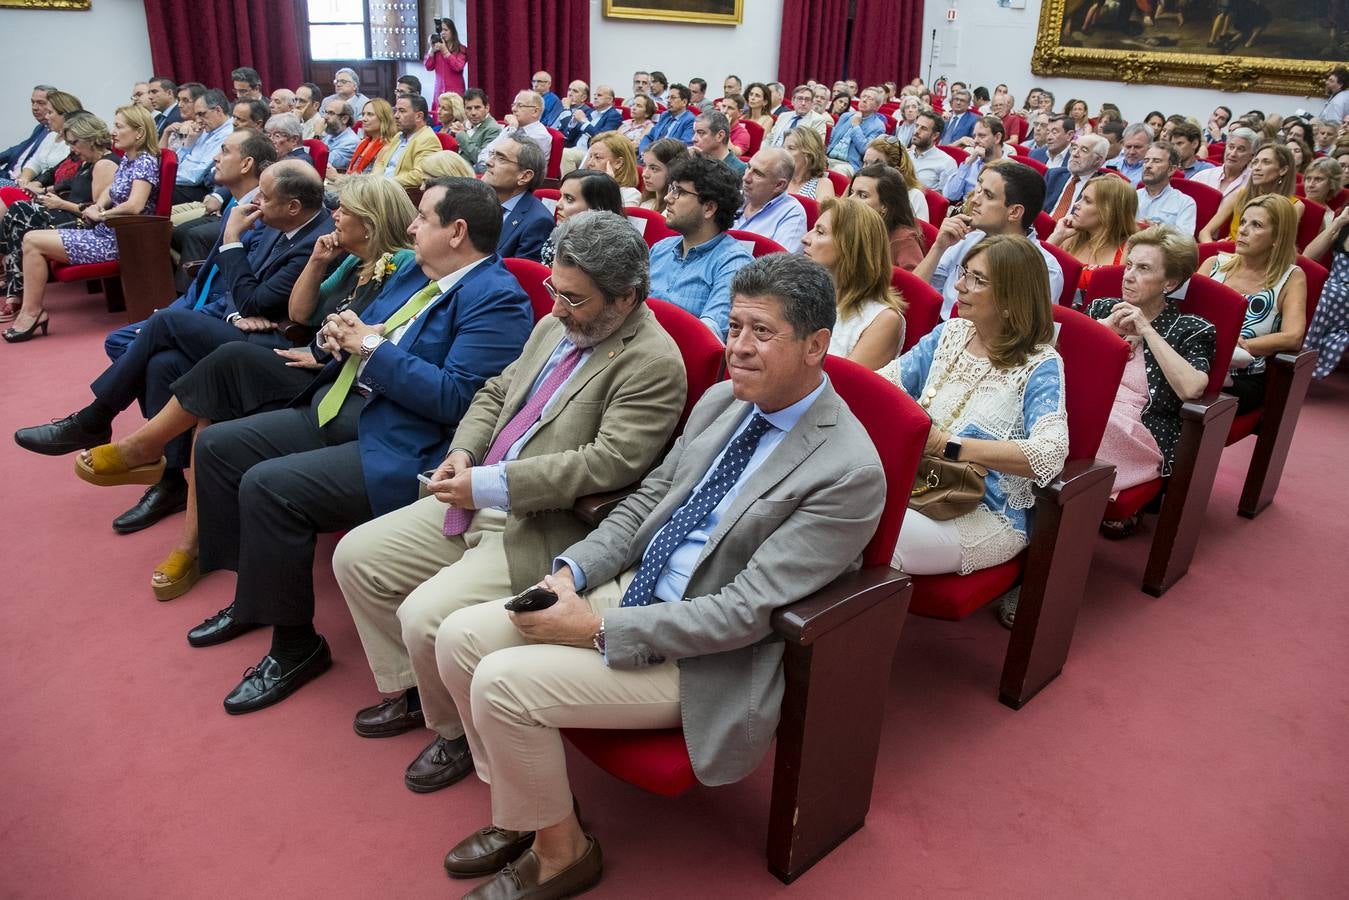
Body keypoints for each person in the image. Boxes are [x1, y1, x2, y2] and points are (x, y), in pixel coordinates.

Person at [432, 250, 885, 900]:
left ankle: (564, 855)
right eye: (733, 327)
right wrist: (571, 572)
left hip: (702, 654)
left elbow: (741, 613)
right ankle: (526, 811)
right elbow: (647, 502)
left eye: (762, 332)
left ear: (816, 345)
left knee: (502, 684)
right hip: (633, 588)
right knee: (457, 638)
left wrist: (593, 628)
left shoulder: (846, 471)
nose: (739, 348)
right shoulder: (725, 400)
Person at [335, 209, 686, 796]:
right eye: (554, 288)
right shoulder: (560, 325)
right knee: (356, 557)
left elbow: (607, 465)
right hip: (476, 489)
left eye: (573, 298)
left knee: (426, 617)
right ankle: (421, 694)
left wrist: (491, 484)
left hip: (538, 518)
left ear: (625, 298)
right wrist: (466, 451)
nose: (555, 307)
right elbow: (499, 389)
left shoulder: (652, 362)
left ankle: (450, 732)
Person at [182, 177, 535, 715]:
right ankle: (254, 597)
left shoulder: (497, 299)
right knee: (219, 448)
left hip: (406, 441)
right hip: (350, 404)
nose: (411, 226)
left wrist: (368, 346)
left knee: (269, 488)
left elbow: (459, 400)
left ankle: (297, 646)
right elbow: (369, 329)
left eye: (424, 218)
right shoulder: (418, 271)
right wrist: (338, 335)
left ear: (458, 232)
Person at [72, 175, 418, 600]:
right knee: (200, 391)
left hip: (331, 374)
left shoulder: (400, 265)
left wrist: (324, 352)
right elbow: (300, 310)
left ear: (370, 221)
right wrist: (315, 263)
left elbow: (383, 337)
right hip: (309, 357)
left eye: (344, 211)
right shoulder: (348, 260)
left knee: (221, 360)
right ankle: (189, 539)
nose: (335, 216)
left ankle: (143, 452)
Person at [13, 158, 334, 537]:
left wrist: (231, 240)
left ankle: (96, 419)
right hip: (244, 329)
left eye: (264, 195)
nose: (256, 201)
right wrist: (235, 313)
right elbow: (239, 293)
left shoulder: (314, 239)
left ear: (293, 206)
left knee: (166, 322)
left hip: (278, 348)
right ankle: (170, 480)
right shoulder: (276, 223)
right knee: (163, 362)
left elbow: (253, 298)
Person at [884, 233, 1067, 626]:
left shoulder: (1040, 364)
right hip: (914, 485)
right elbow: (886, 387)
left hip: (985, 512)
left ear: (1012, 296)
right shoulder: (950, 335)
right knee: (832, 510)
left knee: (879, 540)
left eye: (978, 279)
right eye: (964, 272)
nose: (959, 285)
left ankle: (842, 663)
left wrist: (951, 445)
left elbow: (1050, 454)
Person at [1086, 226, 1215, 535]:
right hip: (1088, 405)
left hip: (1140, 427)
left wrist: (1146, 330)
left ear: (1169, 283)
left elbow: (1193, 388)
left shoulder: (1191, 328)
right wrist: (1106, 330)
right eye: (1129, 264)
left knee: (1086, 421)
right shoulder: (1103, 308)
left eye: (1143, 268)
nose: (1128, 275)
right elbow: (1060, 361)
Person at [4, 106, 160, 343]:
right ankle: (31, 310)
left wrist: (104, 214)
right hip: (106, 233)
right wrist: (99, 205)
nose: (113, 131)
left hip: (119, 239)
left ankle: (32, 311)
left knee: (32, 240)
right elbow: (111, 191)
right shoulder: (130, 159)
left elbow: (135, 206)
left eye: (119, 126)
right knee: (31, 237)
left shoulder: (145, 161)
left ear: (139, 133)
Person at [0, 113, 119, 322]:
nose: (72, 148)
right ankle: (15, 289)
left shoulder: (105, 165)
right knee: (18, 210)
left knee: (19, 211)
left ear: (90, 138)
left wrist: (61, 203)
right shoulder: (86, 162)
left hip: (86, 226)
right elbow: (67, 187)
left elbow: (96, 213)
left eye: (74, 142)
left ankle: (15, 291)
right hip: (69, 215)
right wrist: (42, 191)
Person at [1200, 195, 1308, 413]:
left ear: (1277, 237)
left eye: (1256, 225)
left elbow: (1293, 336)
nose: (1243, 230)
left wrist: (1243, 345)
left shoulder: (1291, 277)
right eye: (1243, 222)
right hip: (1193, 361)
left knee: (1181, 390)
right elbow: (1183, 311)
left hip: (1242, 377)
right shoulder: (1213, 264)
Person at [915, 161, 1064, 316]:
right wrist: (938, 248)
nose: (974, 200)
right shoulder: (965, 239)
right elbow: (915, 295)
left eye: (988, 195)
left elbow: (1027, 332)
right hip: (938, 332)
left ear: (1014, 212)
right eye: (978, 190)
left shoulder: (1045, 269)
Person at [649, 155, 753, 337]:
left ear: (709, 208)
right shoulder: (661, 248)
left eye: (679, 191)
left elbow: (707, 334)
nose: (667, 198)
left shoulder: (734, 264)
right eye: (671, 188)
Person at [802, 196, 906, 367]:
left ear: (850, 247)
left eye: (820, 232)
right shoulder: (802, 293)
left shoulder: (883, 320)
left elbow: (844, 388)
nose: (805, 238)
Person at [1048, 174, 1138, 301]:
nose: (1076, 205)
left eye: (1087, 201)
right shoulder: (1068, 238)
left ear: (1109, 211)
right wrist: (1056, 236)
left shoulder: (1129, 251)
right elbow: (1031, 276)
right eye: (1081, 198)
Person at [1199, 144, 1302, 242]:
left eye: (1266, 162)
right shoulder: (1241, 195)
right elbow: (1205, 233)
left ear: (1283, 170)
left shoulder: (1294, 206)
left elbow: (1280, 246)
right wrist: (1215, 250)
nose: (1257, 168)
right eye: (1255, 162)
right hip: (1228, 254)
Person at [482, 133, 553, 262]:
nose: (488, 162)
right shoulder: (475, 200)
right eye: (492, 154)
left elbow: (519, 276)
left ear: (524, 176)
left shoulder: (538, 222)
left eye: (501, 158)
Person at [848, 163, 926, 271]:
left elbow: (913, 285)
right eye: (851, 193)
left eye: (862, 195)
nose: (850, 200)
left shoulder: (903, 240)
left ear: (885, 206)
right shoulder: (851, 226)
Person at [1304, 199, 1349, 378]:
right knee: (1303, 282)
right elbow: (1309, 256)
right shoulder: (1343, 221)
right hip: (1333, 286)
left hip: (1337, 293)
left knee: (1325, 293)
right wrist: (1338, 222)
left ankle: (1302, 360)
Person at [540, 170, 624, 265]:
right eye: (560, 196)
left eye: (569, 199)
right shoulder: (561, 233)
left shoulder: (604, 255)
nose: (558, 204)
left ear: (596, 207)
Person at [733, 148, 808, 253]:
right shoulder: (735, 197)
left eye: (758, 174)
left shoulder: (792, 214)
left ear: (779, 185)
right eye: (748, 167)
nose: (746, 178)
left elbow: (781, 266)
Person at [169, 89, 233, 204]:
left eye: (201, 114)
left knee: (155, 192)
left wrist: (165, 178)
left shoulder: (228, 135)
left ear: (218, 110)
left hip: (202, 190)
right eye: (196, 115)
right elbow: (175, 163)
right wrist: (189, 143)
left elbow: (195, 177)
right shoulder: (204, 130)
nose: (198, 120)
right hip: (183, 183)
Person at [377, 94, 441, 188]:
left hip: (398, 193)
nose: (396, 116)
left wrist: (384, 182)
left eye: (402, 111)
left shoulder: (428, 140)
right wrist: (373, 181)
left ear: (419, 116)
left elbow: (419, 176)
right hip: (380, 188)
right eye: (396, 110)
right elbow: (382, 163)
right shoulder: (398, 136)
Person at [861, 137, 930, 223]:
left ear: (895, 171)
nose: (865, 170)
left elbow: (918, 234)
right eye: (865, 163)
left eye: (875, 166)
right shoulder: (860, 190)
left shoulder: (914, 197)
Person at [943, 115, 1011, 203]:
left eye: (982, 136)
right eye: (974, 136)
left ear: (997, 138)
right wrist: (968, 163)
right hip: (965, 211)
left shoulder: (1010, 169)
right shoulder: (971, 163)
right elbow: (950, 195)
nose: (975, 140)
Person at [1137, 141, 1198, 236]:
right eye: (1146, 160)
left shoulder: (1185, 202)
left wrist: (1159, 230)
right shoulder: (1132, 196)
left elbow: (1185, 241)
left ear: (1171, 169)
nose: (1148, 165)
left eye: (1156, 161)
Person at [1043, 134, 1109, 220]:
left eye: (1084, 150)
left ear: (1098, 160)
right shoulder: (1054, 174)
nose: (1075, 154)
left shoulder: (1101, 187)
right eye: (1074, 148)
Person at [558, 85, 621, 174]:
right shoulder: (591, 112)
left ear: (610, 100)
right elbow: (570, 136)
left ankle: (569, 184)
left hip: (591, 152)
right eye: (595, 95)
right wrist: (574, 122)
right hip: (576, 147)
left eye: (599, 95)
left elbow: (602, 138)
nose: (595, 97)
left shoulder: (614, 116)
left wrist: (584, 121)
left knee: (566, 154)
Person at [479, 91, 552, 167]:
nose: (514, 109)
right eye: (513, 105)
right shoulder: (513, 128)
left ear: (535, 112)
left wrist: (512, 128)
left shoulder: (540, 135)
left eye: (520, 106)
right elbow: (486, 151)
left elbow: (510, 159)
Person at [825, 86, 887, 173]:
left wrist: (856, 127)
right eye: (863, 97)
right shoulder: (846, 116)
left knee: (838, 170)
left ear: (877, 106)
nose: (864, 100)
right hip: (829, 158)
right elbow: (831, 139)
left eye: (870, 99)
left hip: (849, 164)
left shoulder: (878, 126)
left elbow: (865, 150)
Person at [336, 99, 397, 182]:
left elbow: (372, 181)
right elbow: (350, 172)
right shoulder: (363, 142)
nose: (364, 119)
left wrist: (336, 177)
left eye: (370, 114)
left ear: (384, 118)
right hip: (350, 185)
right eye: (363, 114)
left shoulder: (387, 146)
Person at [1191, 126, 1258, 198]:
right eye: (1231, 147)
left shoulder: (1254, 182)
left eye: (1241, 149)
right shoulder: (1203, 176)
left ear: (1252, 156)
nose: (1233, 154)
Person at [580, 131, 641, 206]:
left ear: (618, 163)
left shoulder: (630, 195)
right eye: (590, 156)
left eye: (597, 157)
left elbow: (611, 217)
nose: (590, 163)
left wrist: (608, 188)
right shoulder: (584, 186)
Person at [424, 17, 468, 119]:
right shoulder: (437, 50)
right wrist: (431, 50)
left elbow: (458, 66)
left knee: (456, 118)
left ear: (452, 31)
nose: (443, 33)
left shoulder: (461, 49)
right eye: (441, 30)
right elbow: (428, 66)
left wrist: (445, 51)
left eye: (446, 30)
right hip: (439, 91)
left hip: (455, 92)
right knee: (439, 120)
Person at [637, 84, 696, 155]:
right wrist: (643, 152)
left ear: (684, 102)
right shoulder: (665, 115)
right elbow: (649, 137)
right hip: (650, 155)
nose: (668, 100)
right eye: (668, 97)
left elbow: (684, 146)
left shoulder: (690, 120)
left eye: (673, 98)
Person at [453, 89, 502, 172]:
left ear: (487, 108)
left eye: (477, 107)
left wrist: (462, 136)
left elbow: (483, 161)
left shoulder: (493, 129)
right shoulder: (465, 124)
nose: (473, 113)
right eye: (468, 108)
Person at [909, 109, 957, 192]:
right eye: (916, 126)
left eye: (923, 128)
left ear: (935, 135)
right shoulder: (905, 155)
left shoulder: (946, 163)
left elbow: (944, 199)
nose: (916, 131)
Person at [784, 126, 835, 201]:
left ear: (809, 154)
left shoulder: (822, 185)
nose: (784, 152)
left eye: (791, 148)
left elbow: (821, 212)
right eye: (783, 148)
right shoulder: (777, 179)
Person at [690, 110, 746, 178]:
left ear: (720, 136)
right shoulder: (694, 162)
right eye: (694, 133)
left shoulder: (740, 171)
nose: (693, 139)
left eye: (701, 133)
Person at [638, 138, 689, 212]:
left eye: (653, 169)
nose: (644, 174)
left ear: (673, 170)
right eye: (645, 165)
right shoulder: (645, 204)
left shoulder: (675, 212)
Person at [318, 99, 359, 173]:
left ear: (344, 119)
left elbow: (321, 161)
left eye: (331, 113)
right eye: (326, 112)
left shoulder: (351, 142)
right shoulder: (330, 135)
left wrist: (317, 135)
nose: (325, 117)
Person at [1302, 157, 1344, 226]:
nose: (1310, 185)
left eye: (1318, 179)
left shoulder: (1332, 218)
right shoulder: (1291, 204)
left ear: (1332, 184)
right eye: (1308, 178)